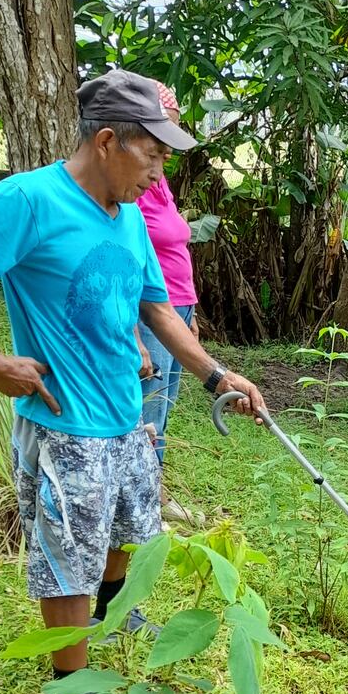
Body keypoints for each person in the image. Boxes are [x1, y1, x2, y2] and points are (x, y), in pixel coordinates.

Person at [0, 68, 266, 694]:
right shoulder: (28, 201)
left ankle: (117, 614)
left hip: (127, 411)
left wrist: (215, 376)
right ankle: (68, 690)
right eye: (154, 153)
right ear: (110, 140)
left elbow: (160, 308)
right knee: (67, 559)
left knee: (127, 527)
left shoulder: (129, 217)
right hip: (67, 424)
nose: (160, 171)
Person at [136, 81, 200, 478]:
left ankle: (155, 488)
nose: (166, 155)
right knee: (149, 406)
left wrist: (192, 313)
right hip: (150, 311)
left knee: (167, 403)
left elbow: (175, 246)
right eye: (158, 142)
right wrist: (134, 333)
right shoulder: (129, 189)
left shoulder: (158, 182)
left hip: (177, 305)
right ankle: (146, 497)